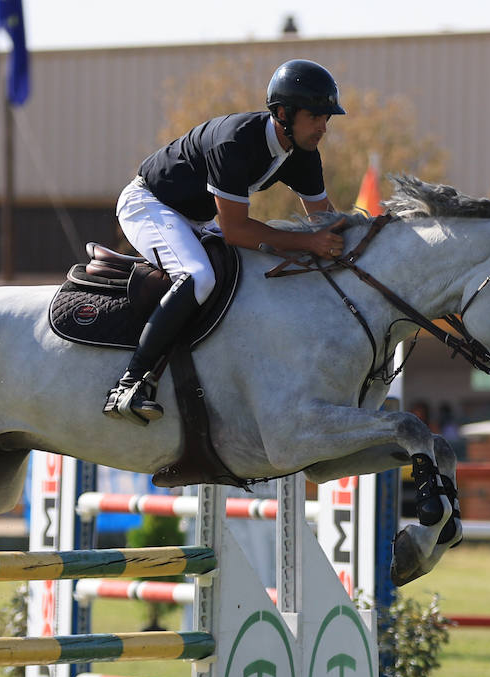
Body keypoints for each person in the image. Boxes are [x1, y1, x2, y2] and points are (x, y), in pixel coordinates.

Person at [104, 59, 349, 425]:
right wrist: (308, 242)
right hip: (148, 204)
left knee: (253, 272)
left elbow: (326, 220)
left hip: (193, 219)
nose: (323, 127)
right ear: (283, 113)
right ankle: (130, 383)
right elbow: (236, 230)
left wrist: (369, 236)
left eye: (326, 118)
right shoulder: (235, 141)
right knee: (198, 276)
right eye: (315, 116)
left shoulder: (303, 153)